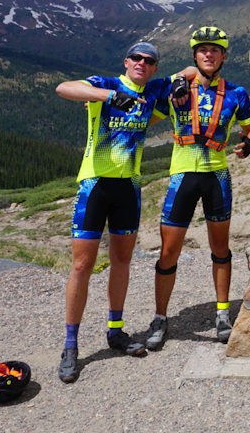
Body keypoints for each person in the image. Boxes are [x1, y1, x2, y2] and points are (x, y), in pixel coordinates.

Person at [56, 42, 192, 383]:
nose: (142, 63)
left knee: (122, 261)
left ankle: (115, 330)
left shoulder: (152, 91)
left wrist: (179, 84)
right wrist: (105, 97)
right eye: (137, 58)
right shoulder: (108, 83)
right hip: (95, 185)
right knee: (81, 265)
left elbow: (191, 71)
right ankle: (70, 344)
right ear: (126, 61)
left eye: (150, 61)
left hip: (129, 188)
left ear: (155, 68)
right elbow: (63, 88)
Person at [146, 26, 250, 350]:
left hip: (217, 177)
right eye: (202, 50)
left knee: (221, 249)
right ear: (194, 56)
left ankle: (222, 313)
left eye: (214, 50)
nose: (208, 54)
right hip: (182, 176)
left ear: (224, 56)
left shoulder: (236, 94)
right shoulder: (178, 90)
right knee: (168, 252)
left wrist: (249, 145)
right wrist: (103, 108)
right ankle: (160, 317)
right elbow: (144, 114)